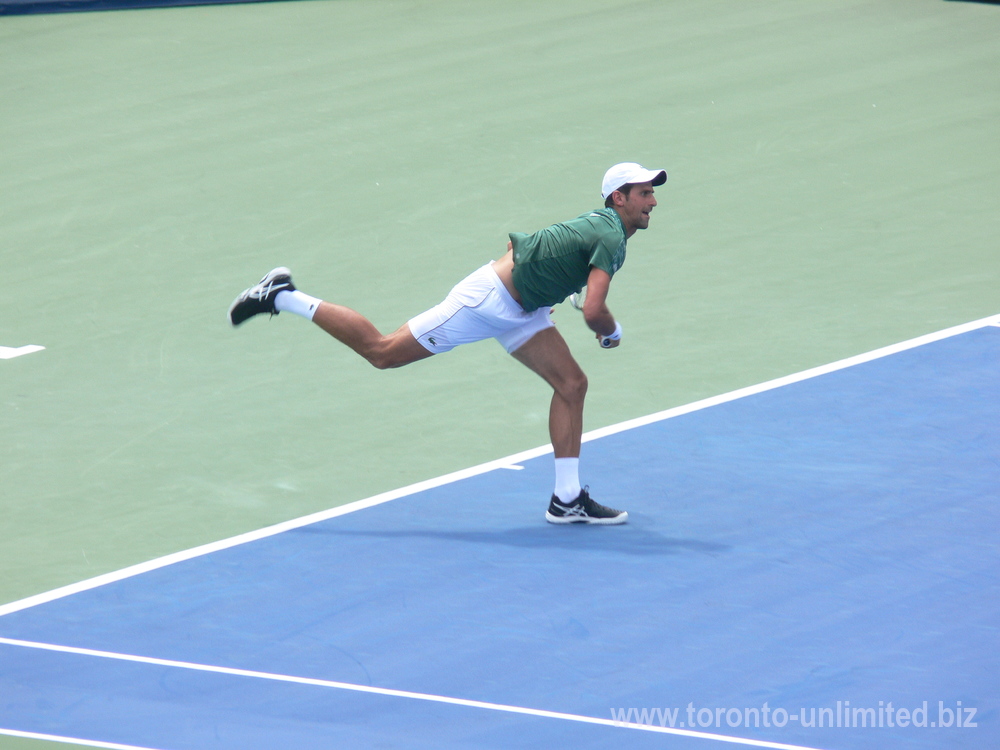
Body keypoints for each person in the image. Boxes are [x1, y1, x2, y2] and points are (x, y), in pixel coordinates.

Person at [228, 162, 666, 525]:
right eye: (644, 192)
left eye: (652, 193)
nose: (653, 201)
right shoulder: (610, 235)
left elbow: (532, 248)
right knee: (382, 352)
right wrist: (611, 332)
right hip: (485, 303)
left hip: (522, 310)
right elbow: (593, 312)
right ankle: (282, 295)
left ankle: (566, 498)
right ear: (619, 198)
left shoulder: (601, 227)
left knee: (572, 384)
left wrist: (537, 292)